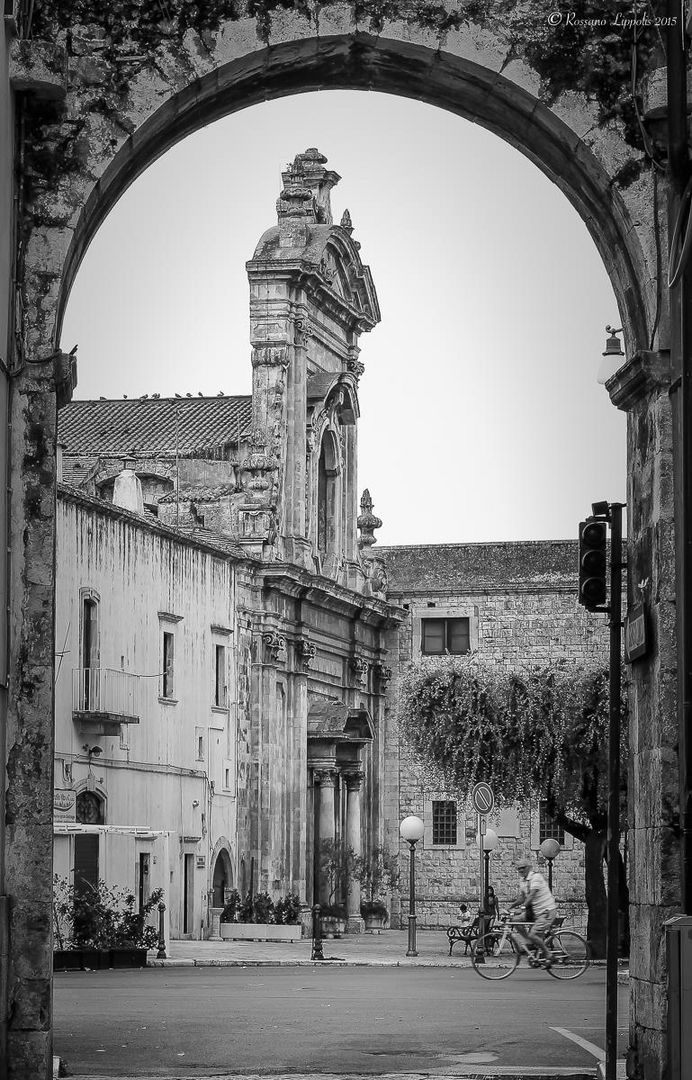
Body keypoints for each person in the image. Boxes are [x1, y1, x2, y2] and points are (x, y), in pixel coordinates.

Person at [510, 857, 557, 967]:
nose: (521, 870)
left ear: (529, 868)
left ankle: (548, 954)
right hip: (535, 912)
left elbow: (532, 895)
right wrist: (510, 907)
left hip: (546, 912)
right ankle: (530, 943)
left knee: (533, 934)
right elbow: (522, 897)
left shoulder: (536, 877)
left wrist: (522, 908)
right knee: (515, 920)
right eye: (518, 869)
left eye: (523, 868)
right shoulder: (522, 881)